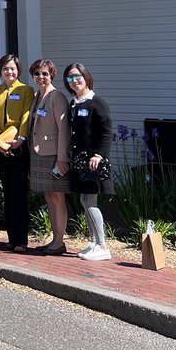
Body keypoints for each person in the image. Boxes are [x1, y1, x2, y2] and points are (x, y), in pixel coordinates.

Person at [64, 62, 114, 261]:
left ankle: (103, 245)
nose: (74, 81)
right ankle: (93, 242)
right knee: (84, 201)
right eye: (70, 78)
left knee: (91, 201)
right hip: (80, 162)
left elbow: (106, 133)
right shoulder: (75, 103)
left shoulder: (97, 103)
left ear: (86, 77)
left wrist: (99, 155)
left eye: (77, 76)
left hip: (93, 162)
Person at [0, 54, 35, 252]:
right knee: (7, 192)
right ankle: (10, 237)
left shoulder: (26, 90)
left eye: (13, 69)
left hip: (19, 146)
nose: (9, 72)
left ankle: (21, 240)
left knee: (19, 193)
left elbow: (26, 115)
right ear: (0, 71)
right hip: (2, 146)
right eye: (6, 69)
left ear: (18, 71)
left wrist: (21, 138)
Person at [28, 58, 70, 255]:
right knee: (49, 196)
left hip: (54, 155)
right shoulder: (37, 96)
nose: (41, 77)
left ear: (52, 75)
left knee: (57, 197)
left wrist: (62, 159)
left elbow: (64, 129)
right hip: (38, 153)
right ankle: (55, 239)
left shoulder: (57, 96)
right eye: (37, 73)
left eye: (45, 73)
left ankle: (60, 240)